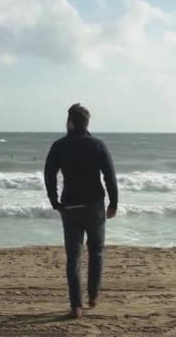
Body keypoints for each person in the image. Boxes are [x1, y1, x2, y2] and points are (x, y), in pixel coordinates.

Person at [44, 103, 118, 319]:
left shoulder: (59, 146)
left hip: (71, 207)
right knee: (96, 251)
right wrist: (114, 203)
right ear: (86, 123)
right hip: (95, 206)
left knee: (74, 257)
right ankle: (93, 297)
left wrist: (54, 201)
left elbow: (49, 174)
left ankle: (76, 306)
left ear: (70, 122)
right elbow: (110, 176)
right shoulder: (98, 145)